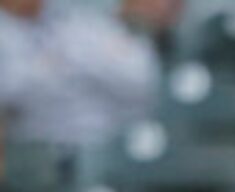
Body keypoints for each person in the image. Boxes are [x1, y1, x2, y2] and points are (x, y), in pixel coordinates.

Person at [0, 0, 160, 153]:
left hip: (102, 152)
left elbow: (140, 77)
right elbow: (12, 90)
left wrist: (63, 64)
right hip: (31, 158)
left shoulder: (72, 18)